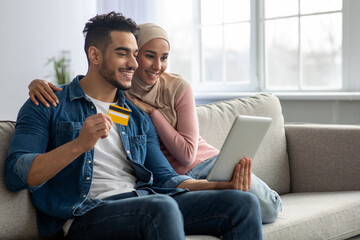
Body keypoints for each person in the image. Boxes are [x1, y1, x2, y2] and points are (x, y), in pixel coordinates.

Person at [5, 12, 262, 240]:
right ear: (94, 54)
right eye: (122, 53)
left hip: (143, 201)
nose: (134, 63)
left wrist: (221, 185)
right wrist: (78, 145)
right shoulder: (48, 102)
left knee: (243, 203)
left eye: (135, 54)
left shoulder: (135, 116)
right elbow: (16, 174)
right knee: (161, 207)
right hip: (86, 214)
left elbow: (166, 178)